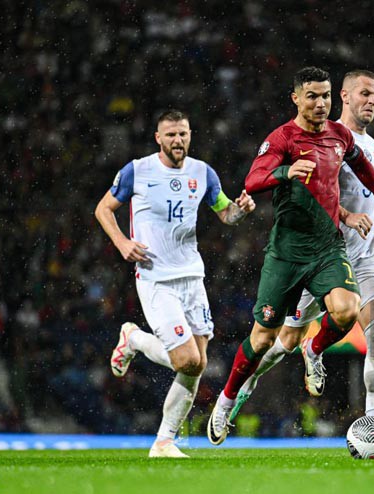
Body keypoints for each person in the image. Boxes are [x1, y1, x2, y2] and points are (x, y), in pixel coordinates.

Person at [207, 67, 374, 445]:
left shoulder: (361, 143)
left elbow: (357, 181)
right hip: (303, 252)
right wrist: (292, 177)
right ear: (344, 97)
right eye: (364, 93)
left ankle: (373, 426)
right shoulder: (300, 137)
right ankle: (239, 389)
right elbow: (308, 189)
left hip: (353, 258)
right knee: (277, 342)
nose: (372, 102)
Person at [94, 110, 255, 458]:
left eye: (182, 134)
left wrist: (240, 210)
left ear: (190, 134)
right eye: (170, 135)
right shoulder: (137, 171)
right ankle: (133, 338)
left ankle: (164, 442)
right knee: (188, 361)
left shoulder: (203, 173)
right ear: (158, 138)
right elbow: (103, 209)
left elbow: (225, 213)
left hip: (192, 278)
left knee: (197, 363)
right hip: (156, 279)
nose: (177, 141)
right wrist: (122, 243)